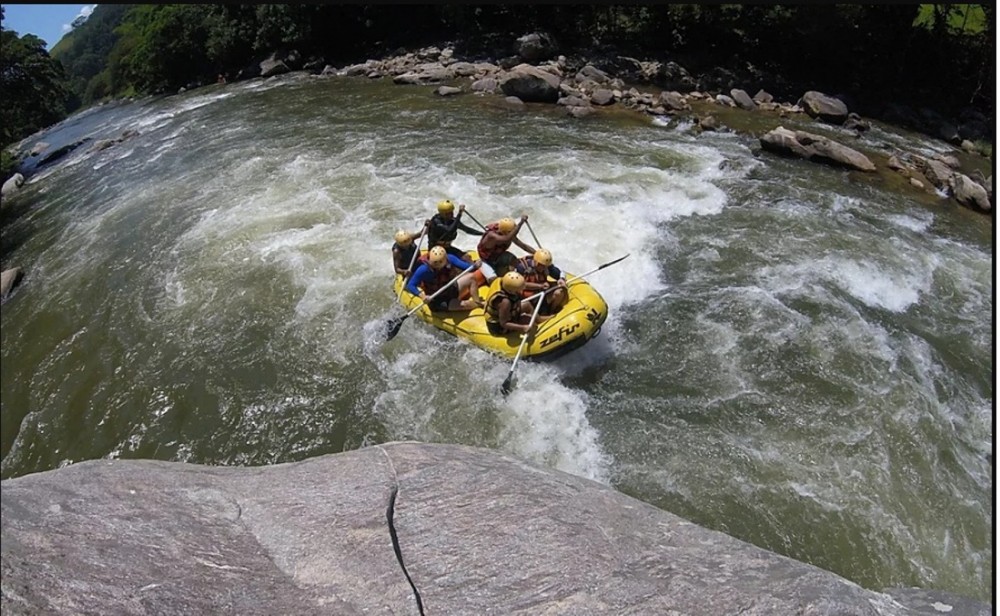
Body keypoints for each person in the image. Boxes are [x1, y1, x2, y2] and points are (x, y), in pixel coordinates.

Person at [404, 246, 483, 312]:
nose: (437, 266)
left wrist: (475, 265)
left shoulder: (450, 258)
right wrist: (422, 296)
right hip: (437, 299)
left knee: (471, 277)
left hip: (450, 288)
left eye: (439, 263)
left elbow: (467, 267)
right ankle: (479, 305)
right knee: (465, 305)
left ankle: (477, 302)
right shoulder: (423, 269)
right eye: (435, 263)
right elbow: (411, 285)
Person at [485, 271, 551, 336]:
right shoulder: (504, 302)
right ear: (511, 291)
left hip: (508, 313)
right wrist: (523, 328)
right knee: (526, 319)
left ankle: (539, 319)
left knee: (527, 305)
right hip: (499, 326)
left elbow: (524, 285)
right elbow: (504, 323)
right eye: (518, 290)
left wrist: (540, 286)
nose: (521, 290)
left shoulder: (505, 282)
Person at [476, 214, 533, 282]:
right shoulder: (491, 236)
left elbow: (523, 246)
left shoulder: (507, 233)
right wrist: (521, 223)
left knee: (513, 259)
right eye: (511, 231)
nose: (513, 233)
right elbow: (506, 239)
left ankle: (513, 278)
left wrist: (537, 253)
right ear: (505, 231)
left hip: (499, 256)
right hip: (486, 260)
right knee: (493, 279)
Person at [515, 248, 568, 315]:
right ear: (536, 262)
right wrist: (540, 286)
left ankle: (551, 311)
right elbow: (519, 284)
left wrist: (561, 279)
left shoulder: (546, 266)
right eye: (542, 266)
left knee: (560, 291)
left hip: (542, 294)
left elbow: (561, 272)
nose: (544, 268)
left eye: (545, 266)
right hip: (527, 298)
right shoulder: (521, 267)